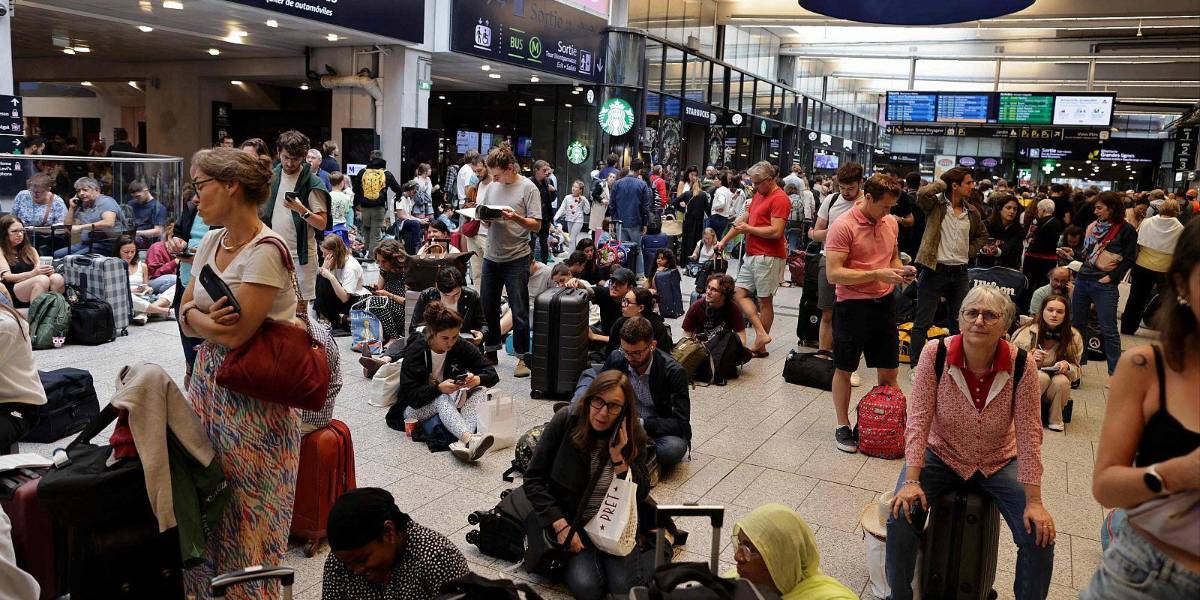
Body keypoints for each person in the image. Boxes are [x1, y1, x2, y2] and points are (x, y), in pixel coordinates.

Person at [176, 147, 311, 599]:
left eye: (201, 186)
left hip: (254, 405)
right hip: (208, 391)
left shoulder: (267, 250)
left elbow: (239, 337)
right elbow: (183, 310)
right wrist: (201, 320)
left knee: (250, 516)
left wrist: (198, 321)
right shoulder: (214, 241)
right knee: (210, 501)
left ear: (231, 185)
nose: (195, 197)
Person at [887, 286, 1055, 600]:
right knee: (902, 515)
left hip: (998, 458)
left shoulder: (1022, 364)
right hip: (941, 452)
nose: (979, 320)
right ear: (960, 319)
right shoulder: (935, 353)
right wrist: (911, 479)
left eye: (990, 315)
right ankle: (899, 596)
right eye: (971, 313)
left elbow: (1030, 433)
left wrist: (1034, 501)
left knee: (1039, 535)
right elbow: (919, 419)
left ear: (1005, 325)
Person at [1084, 219, 1200, 599]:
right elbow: (1106, 487)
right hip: (1143, 573)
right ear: (1182, 285)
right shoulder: (1146, 368)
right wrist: (1174, 474)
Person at [522, 369, 661, 600]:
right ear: (589, 398)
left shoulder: (633, 431)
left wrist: (619, 460)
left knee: (625, 589)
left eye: (614, 406)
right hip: (574, 523)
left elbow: (643, 491)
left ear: (624, 410)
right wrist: (561, 525)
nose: (603, 413)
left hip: (615, 524)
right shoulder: (566, 420)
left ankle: (661, 543)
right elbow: (533, 479)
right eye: (598, 401)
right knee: (587, 587)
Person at [825, 173, 910, 453]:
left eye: (892, 208)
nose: (889, 213)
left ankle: (886, 422)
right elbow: (834, 273)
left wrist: (899, 270)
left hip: (884, 303)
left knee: (889, 368)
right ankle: (842, 424)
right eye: (884, 206)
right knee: (845, 367)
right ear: (868, 198)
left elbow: (894, 255)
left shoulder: (890, 223)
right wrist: (876, 273)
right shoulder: (843, 225)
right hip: (852, 305)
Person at [386, 301, 499, 462]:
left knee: (480, 390)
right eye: (445, 338)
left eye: (454, 337)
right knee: (441, 398)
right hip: (413, 409)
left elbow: (491, 373)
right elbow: (410, 395)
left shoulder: (459, 345)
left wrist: (476, 379)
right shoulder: (417, 350)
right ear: (432, 333)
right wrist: (438, 388)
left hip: (451, 401)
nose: (450, 343)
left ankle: (462, 443)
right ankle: (470, 439)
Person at [322, 487, 470, 599]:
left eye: (363, 559)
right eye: (348, 564)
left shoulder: (438, 559)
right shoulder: (339, 562)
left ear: (388, 532)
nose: (356, 570)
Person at [909, 166, 990, 371]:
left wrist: (970, 251)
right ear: (955, 185)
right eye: (968, 183)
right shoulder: (935, 205)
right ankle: (917, 366)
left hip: (960, 272)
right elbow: (921, 194)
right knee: (923, 321)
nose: (972, 186)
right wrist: (942, 184)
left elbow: (982, 235)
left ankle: (954, 364)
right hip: (934, 268)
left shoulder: (971, 212)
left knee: (960, 321)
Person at [478, 144, 542, 377]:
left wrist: (515, 217)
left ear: (511, 168)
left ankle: (523, 357)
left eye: (497, 174)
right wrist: (484, 217)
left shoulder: (528, 187)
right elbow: (484, 219)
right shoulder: (492, 186)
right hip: (491, 254)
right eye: (492, 175)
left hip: (516, 256)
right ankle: (491, 349)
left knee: (519, 308)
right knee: (488, 305)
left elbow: (537, 224)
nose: (494, 179)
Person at [598, 316, 689, 470]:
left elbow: (681, 423)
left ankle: (636, 453)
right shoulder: (618, 357)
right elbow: (601, 393)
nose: (629, 358)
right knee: (588, 379)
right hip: (622, 422)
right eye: (625, 351)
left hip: (654, 430)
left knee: (672, 448)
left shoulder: (673, 372)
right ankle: (639, 456)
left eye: (636, 353)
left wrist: (640, 424)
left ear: (652, 345)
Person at [721, 161, 789, 356]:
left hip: (768, 256)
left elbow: (776, 231)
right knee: (738, 293)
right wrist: (724, 240)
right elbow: (744, 219)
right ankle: (761, 333)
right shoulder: (759, 194)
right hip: (752, 254)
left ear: (769, 180)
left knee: (764, 301)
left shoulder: (780, 199)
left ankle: (761, 345)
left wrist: (749, 229)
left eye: (758, 183)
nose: (754, 186)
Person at [809, 162, 866, 385]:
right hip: (829, 260)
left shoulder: (866, 203)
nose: (845, 192)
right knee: (827, 313)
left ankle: (849, 365)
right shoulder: (830, 200)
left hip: (857, 265)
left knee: (852, 315)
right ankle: (824, 358)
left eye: (850, 188)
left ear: (860, 183)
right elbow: (814, 233)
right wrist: (834, 232)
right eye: (842, 187)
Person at [1068, 192, 1137, 376]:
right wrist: (1071, 253)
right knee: (1077, 325)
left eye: (1099, 208)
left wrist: (1111, 277)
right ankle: (1077, 368)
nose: (1095, 211)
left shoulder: (1126, 229)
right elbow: (1086, 254)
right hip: (1083, 278)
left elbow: (1130, 259)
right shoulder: (1093, 227)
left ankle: (1115, 374)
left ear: (1112, 208)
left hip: (1104, 284)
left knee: (1109, 329)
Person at [727, 503, 858, 599]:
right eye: (739, 544)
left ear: (780, 559)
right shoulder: (735, 580)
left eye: (749, 549)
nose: (737, 556)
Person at [263, 130, 330, 309]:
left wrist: (301, 210)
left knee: (299, 313)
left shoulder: (312, 182)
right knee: (270, 308)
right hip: (271, 251)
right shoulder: (270, 177)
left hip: (301, 256)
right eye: (285, 157)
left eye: (295, 158)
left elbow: (322, 223)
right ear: (278, 152)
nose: (289, 163)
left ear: (304, 157)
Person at [1013, 295, 1083, 431]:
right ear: (1042, 311)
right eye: (1050, 310)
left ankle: (1055, 419)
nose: (1054, 315)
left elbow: (1077, 372)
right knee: (1041, 376)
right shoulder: (1027, 332)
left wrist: (1067, 367)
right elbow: (1012, 363)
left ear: (1066, 315)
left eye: (1060, 312)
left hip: (1056, 385)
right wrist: (1030, 358)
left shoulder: (1074, 336)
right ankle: (1024, 417)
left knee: (1061, 381)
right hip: (1030, 381)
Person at [1121, 199, 1184, 335]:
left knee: (1136, 299)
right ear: (1176, 211)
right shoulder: (1179, 228)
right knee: (1168, 302)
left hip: (1142, 265)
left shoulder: (1147, 222)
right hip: (1165, 270)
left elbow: (1138, 243)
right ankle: (1168, 332)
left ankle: (1127, 328)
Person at [681, 273, 751, 385]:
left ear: (724, 295)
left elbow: (742, 338)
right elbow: (685, 336)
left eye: (714, 290)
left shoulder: (733, 308)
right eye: (708, 287)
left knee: (744, 351)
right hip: (702, 350)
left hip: (722, 349)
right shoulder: (697, 306)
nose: (708, 292)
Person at [0, 215, 65, 309]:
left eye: (22, 231)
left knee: (57, 278)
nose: (20, 234)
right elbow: (7, 277)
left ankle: (55, 314)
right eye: (14, 231)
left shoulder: (30, 250)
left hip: (35, 282)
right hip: (14, 288)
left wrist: (46, 271)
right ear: (4, 233)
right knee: (41, 280)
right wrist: (33, 273)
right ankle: (36, 320)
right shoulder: (1, 250)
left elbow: (38, 269)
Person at [355, 150, 405, 256]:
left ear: (370, 158)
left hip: (365, 207)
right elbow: (398, 189)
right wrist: (397, 198)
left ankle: (366, 252)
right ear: (381, 158)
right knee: (376, 233)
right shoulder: (385, 173)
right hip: (379, 207)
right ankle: (372, 257)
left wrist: (357, 204)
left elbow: (356, 189)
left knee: (366, 229)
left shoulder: (363, 172)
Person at [56, 176, 121, 258]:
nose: (81, 193)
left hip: (105, 243)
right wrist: (71, 208)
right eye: (78, 191)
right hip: (86, 243)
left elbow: (109, 222)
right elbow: (68, 227)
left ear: (97, 190)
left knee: (72, 258)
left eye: (85, 190)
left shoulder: (106, 201)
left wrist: (81, 227)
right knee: (57, 255)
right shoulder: (84, 205)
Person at [315, 235, 367, 335]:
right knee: (321, 279)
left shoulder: (350, 267)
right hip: (341, 298)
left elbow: (344, 298)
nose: (323, 257)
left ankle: (334, 320)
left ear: (333, 254)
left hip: (354, 300)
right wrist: (324, 269)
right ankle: (327, 318)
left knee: (325, 280)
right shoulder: (334, 261)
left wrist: (330, 276)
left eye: (325, 254)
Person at [116, 236, 173, 325]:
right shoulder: (113, 267)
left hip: (142, 298)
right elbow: (114, 290)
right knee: (126, 295)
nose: (130, 255)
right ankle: (161, 310)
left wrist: (147, 289)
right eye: (126, 252)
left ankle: (146, 311)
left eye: (133, 251)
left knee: (176, 286)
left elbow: (145, 285)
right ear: (118, 251)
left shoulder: (142, 266)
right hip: (128, 298)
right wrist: (131, 290)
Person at [609, 160, 652, 276]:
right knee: (637, 250)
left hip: (620, 222)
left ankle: (620, 273)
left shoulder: (617, 183)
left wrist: (613, 220)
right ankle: (639, 275)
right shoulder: (642, 185)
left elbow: (612, 204)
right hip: (635, 221)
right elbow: (645, 207)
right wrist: (645, 223)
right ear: (639, 170)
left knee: (620, 249)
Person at [604, 287, 673, 356]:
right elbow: (610, 352)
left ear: (640, 308)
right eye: (623, 300)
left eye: (627, 302)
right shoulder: (620, 322)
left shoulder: (658, 328)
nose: (622, 304)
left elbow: (662, 357)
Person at [10, 172, 67, 255]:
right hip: (20, 236)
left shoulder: (57, 202)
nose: (35, 194)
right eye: (33, 190)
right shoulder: (22, 195)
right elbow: (12, 218)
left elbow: (61, 230)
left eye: (40, 192)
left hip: (44, 241)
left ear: (48, 189)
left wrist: (35, 229)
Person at [367, 240, 409, 347]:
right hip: (388, 308)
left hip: (404, 311)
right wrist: (375, 289)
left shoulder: (407, 272)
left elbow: (408, 302)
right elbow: (379, 292)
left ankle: (394, 337)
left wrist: (388, 294)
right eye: (379, 261)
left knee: (378, 303)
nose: (381, 264)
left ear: (394, 260)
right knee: (367, 299)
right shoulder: (384, 270)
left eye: (384, 261)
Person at [1023, 198, 1064, 297]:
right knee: (1045, 285)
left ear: (1042, 210)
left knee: (1028, 284)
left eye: (1038, 210)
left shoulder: (1036, 221)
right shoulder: (1057, 223)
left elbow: (1029, 236)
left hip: (1032, 258)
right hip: (1049, 260)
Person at [590, 267, 636, 347]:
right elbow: (586, 291)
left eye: (619, 283)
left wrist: (595, 337)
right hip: (606, 336)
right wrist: (576, 284)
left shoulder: (634, 305)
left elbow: (629, 342)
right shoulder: (605, 293)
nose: (614, 285)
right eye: (612, 281)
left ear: (630, 288)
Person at [981, 193, 1024, 269]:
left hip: (1008, 270)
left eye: (1015, 209)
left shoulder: (1019, 229)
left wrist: (996, 251)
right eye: (1008, 208)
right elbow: (978, 243)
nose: (1012, 211)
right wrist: (983, 248)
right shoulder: (986, 225)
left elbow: (1011, 248)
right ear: (999, 209)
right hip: (985, 269)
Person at [678, 167, 709, 263]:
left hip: (693, 215)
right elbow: (679, 198)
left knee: (691, 237)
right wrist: (683, 206)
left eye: (695, 175)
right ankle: (684, 257)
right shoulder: (683, 184)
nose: (693, 177)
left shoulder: (699, 189)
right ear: (688, 174)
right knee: (683, 236)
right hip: (685, 212)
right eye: (692, 174)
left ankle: (689, 258)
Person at [127, 179, 169, 246]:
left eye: (138, 196)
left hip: (148, 246)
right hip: (129, 243)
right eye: (134, 197)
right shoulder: (131, 204)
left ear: (146, 191)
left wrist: (136, 233)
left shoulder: (158, 207)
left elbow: (158, 231)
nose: (136, 199)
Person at [530, 160, 556, 263]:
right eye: (544, 170)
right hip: (532, 216)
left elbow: (552, 199)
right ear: (536, 170)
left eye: (547, 170)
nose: (546, 173)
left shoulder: (548, 181)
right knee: (531, 241)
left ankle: (544, 263)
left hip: (545, 216)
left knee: (544, 242)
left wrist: (553, 191)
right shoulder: (530, 182)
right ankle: (530, 263)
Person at [554, 180, 590, 248]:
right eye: (573, 186)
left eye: (576, 187)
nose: (573, 188)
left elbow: (587, 211)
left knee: (571, 239)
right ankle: (574, 255)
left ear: (580, 190)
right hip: (569, 220)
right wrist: (555, 217)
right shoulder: (567, 197)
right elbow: (561, 209)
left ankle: (571, 257)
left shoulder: (582, 199)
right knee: (572, 239)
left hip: (578, 221)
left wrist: (585, 201)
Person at [590, 171, 614, 242]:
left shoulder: (614, 187)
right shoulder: (601, 184)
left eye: (613, 177)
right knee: (596, 228)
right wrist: (602, 200)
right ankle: (595, 245)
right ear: (607, 177)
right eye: (610, 177)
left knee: (606, 229)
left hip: (608, 211)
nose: (612, 179)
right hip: (598, 209)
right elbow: (594, 194)